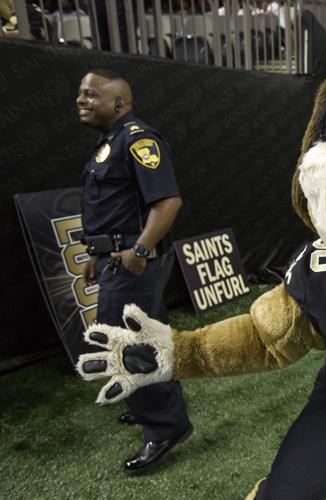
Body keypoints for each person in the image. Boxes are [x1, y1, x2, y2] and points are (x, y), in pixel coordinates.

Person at [76, 69, 193, 475]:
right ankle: (149, 404)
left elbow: (169, 202)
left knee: (131, 345)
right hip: (116, 259)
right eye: (81, 95)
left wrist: (139, 250)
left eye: (91, 95)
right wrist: (97, 253)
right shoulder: (111, 142)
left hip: (133, 263)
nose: (82, 101)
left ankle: (165, 427)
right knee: (142, 339)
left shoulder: (138, 139)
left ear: (119, 103)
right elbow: (112, 209)